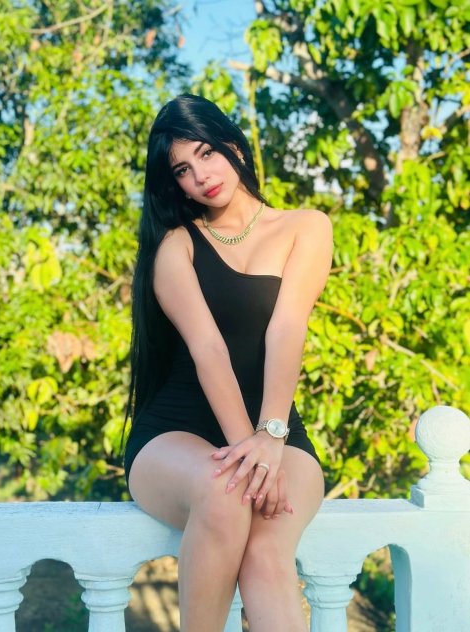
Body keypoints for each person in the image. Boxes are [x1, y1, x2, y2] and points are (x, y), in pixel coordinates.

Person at [123, 93, 333, 632]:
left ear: (234, 147)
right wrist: (251, 454)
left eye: (207, 153)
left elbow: (287, 327)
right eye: (182, 170)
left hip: (277, 427)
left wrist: (270, 437)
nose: (201, 176)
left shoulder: (306, 227)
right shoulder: (176, 246)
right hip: (175, 432)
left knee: (265, 556)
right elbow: (209, 349)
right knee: (225, 491)